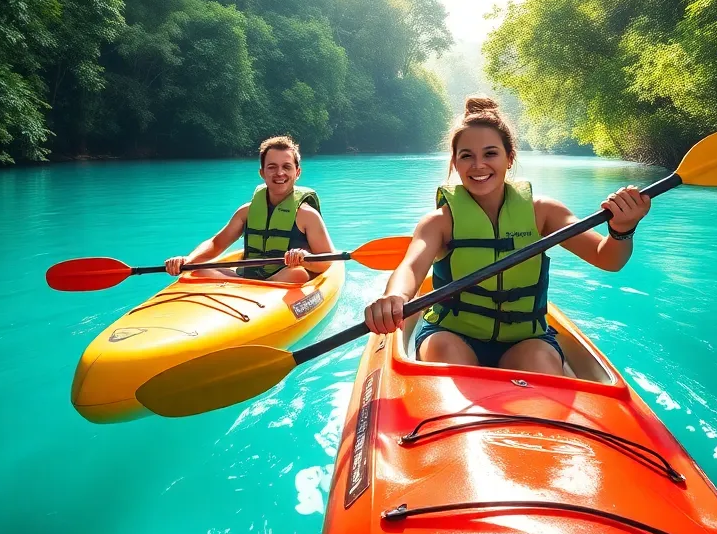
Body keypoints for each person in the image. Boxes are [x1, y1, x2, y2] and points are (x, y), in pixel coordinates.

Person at [363, 97, 652, 374]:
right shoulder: (439, 222)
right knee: (446, 356)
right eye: (467, 156)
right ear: (454, 163)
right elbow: (411, 267)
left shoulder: (544, 212)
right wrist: (395, 296)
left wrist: (621, 230)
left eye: (490, 153)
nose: (478, 165)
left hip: (524, 340)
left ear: (509, 158)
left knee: (540, 364)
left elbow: (607, 258)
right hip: (452, 333)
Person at [165, 135, 335, 284]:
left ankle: (254, 287)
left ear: (297, 172)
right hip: (248, 279)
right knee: (198, 270)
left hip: (285, 278)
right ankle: (242, 285)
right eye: (272, 167)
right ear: (262, 172)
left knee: (296, 273)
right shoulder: (246, 212)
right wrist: (188, 260)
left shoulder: (307, 216)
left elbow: (327, 260)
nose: (279, 173)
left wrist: (304, 258)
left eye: (286, 167)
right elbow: (216, 243)